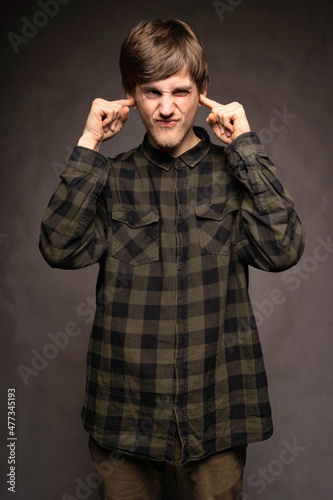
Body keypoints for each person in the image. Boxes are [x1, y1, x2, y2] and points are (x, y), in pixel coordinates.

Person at [39, 18, 305, 500]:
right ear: (130, 95)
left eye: (180, 91)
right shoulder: (110, 178)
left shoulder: (234, 175)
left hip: (217, 413)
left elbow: (283, 249)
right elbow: (58, 247)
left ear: (203, 92)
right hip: (124, 415)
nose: (166, 108)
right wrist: (88, 146)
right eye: (151, 92)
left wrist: (245, 146)